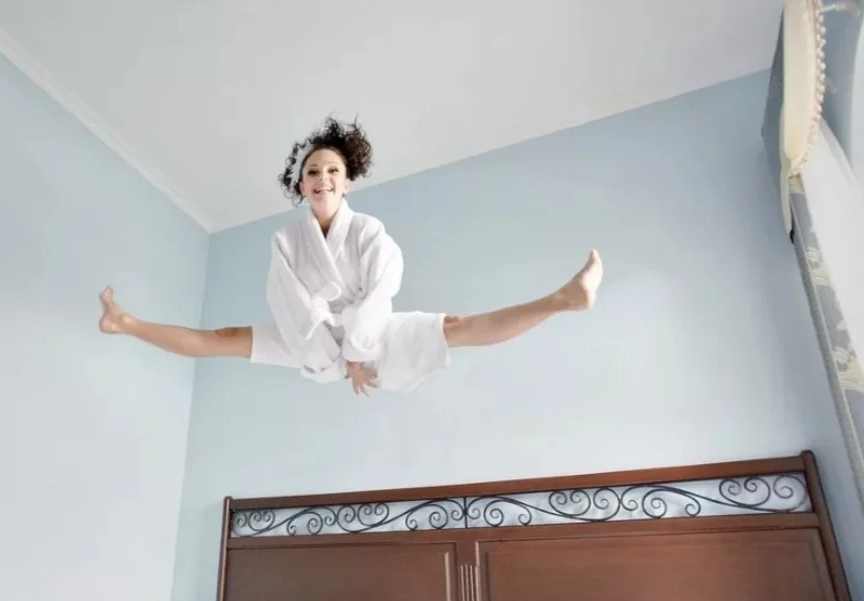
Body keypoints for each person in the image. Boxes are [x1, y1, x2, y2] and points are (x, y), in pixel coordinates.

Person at [98, 117, 603, 396]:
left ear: (347, 183)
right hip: (309, 336)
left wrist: (358, 354)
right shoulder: (286, 241)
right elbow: (290, 303)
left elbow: (380, 293)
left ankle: (563, 298)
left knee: (457, 327)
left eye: (333, 171)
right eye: (313, 172)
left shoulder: (368, 232)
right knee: (223, 338)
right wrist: (327, 358)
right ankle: (125, 323)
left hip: (372, 332)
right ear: (302, 185)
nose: (323, 178)